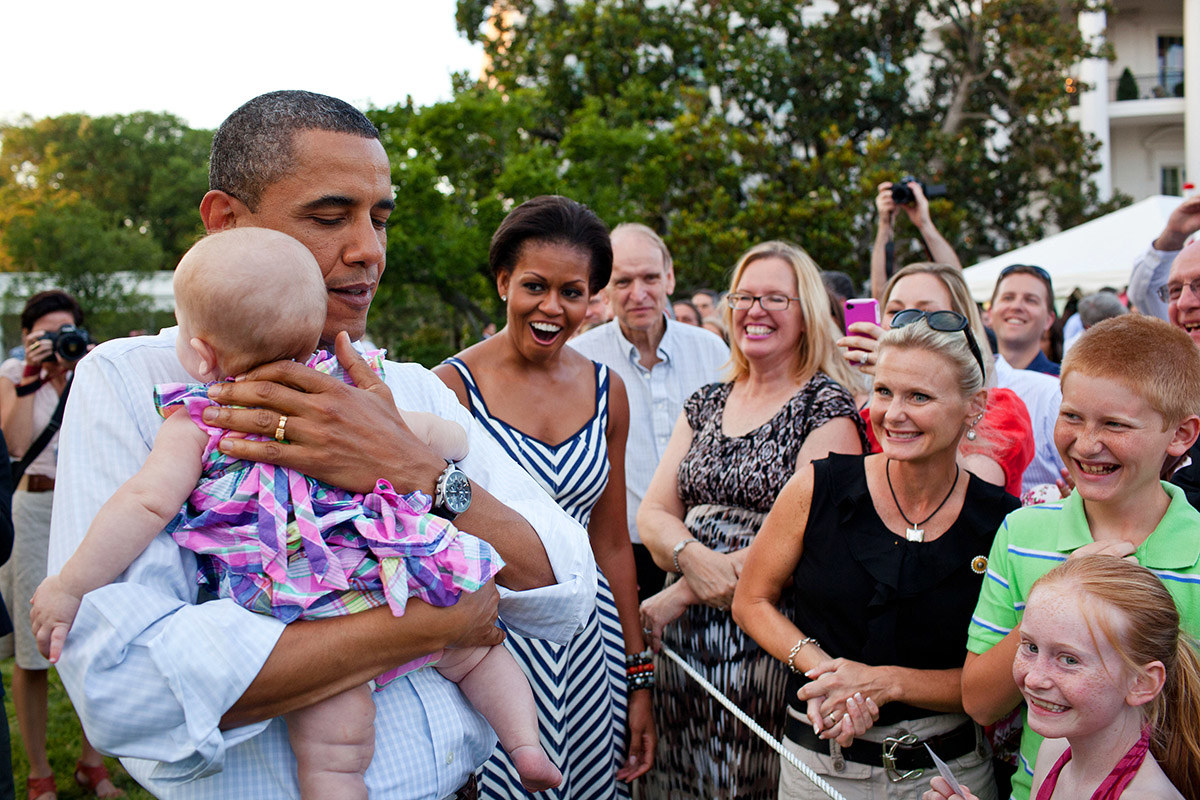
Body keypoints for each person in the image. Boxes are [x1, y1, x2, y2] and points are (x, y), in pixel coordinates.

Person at [46, 90, 595, 799]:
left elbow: (563, 588)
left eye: (381, 219)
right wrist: (438, 619)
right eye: (330, 216)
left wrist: (415, 468)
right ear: (226, 221)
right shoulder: (139, 387)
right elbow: (125, 689)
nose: (369, 249)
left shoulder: (407, 387)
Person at [735, 314, 1018, 800]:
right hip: (819, 769)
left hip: (947, 779)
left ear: (974, 407)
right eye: (884, 391)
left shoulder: (1004, 524)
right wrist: (830, 675)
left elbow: (996, 686)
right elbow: (751, 600)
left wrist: (886, 683)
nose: (893, 413)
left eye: (920, 397)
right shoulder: (817, 486)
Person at [436, 196, 654, 797]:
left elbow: (611, 543)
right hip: (490, 651)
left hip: (594, 651)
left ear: (592, 299)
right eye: (535, 285)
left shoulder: (608, 390)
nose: (552, 308)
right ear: (504, 281)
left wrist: (638, 678)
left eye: (573, 291)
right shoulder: (448, 387)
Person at [637, 240, 869, 799]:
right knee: (676, 776)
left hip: (764, 634)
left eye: (775, 298)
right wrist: (693, 561)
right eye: (744, 295)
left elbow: (805, 534)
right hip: (682, 644)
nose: (755, 309)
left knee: (743, 781)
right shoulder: (707, 402)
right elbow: (653, 514)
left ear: (807, 311)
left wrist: (682, 592)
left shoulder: (826, 406)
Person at [962, 314, 1200, 800]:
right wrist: (1059, 595)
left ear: (1180, 435)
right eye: (1071, 416)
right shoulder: (1022, 530)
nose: (1086, 443)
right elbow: (980, 701)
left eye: (1115, 424)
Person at [927, 557, 1200, 800]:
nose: (1034, 679)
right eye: (1031, 647)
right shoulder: (1055, 751)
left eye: (1069, 660)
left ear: (1143, 682)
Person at [0, 290, 121, 800]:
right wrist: (30, 379)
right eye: (44, 335)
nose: (56, 343)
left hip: (87, 509)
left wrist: (86, 369)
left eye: (63, 332)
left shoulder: (89, 371)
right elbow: (13, 445)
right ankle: (39, 770)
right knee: (32, 649)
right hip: (32, 507)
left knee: (95, 631)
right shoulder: (12, 376)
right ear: (28, 337)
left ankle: (93, 762)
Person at [570, 224, 728, 600]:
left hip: (710, 549)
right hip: (618, 554)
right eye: (623, 281)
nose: (638, 294)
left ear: (670, 278)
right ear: (603, 288)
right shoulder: (578, 362)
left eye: (650, 278)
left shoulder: (714, 352)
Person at [840, 263, 1037, 498]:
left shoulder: (999, 408)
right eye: (895, 312)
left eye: (928, 314)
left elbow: (973, 496)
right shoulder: (867, 415)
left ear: (962, 326)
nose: (909, 325)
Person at [870, 180, 961, 297]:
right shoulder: (885, 310)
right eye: (896, 309)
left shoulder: (950, 308)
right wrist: (884, 224)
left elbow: (957, 283)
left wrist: (925, 223)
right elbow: (879, 295)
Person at [1127, 195, 1200, 320]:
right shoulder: (1182, 332)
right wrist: (1174, 234)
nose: (1182, 303)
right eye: (1176, 290)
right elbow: (1147, 291)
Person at [985, 265, 1059, 376]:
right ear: (990, 313)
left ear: (1049, 320)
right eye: (1008, 298)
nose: (1016, 306)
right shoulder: (969, 381)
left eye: (1030, 300)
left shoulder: (1063, 386)